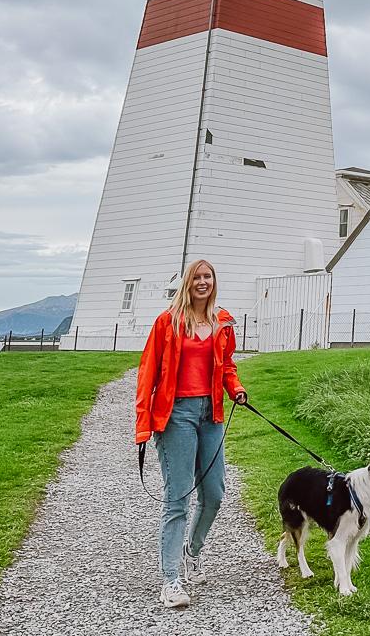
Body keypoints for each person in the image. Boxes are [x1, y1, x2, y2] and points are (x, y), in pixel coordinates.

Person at [135, 258, 248, 608]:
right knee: (177, 497)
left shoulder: (222, 322)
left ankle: (192, 550)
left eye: (208, 277)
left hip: (210, 413)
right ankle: (171, 580)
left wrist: (236, 389)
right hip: (175, 415)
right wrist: (143, 425)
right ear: (187, 283)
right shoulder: (167, 322)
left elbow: (227, 365)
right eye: (197, 277)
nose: (203, 282)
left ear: (214, 282)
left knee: (214, 493)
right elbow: (147, 371)